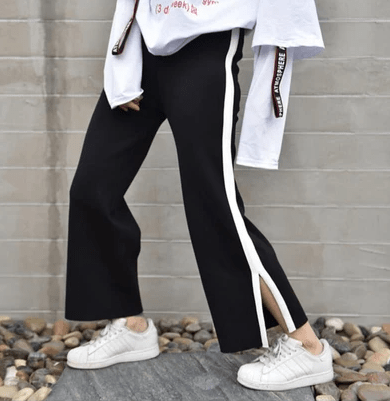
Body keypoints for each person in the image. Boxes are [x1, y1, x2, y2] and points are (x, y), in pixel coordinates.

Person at [64, 0, 334, 391]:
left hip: (205, 51)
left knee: (214, 204)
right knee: (92, 188)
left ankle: (307, 346)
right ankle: (131, 326)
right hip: (143, 47)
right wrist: (121, 63)